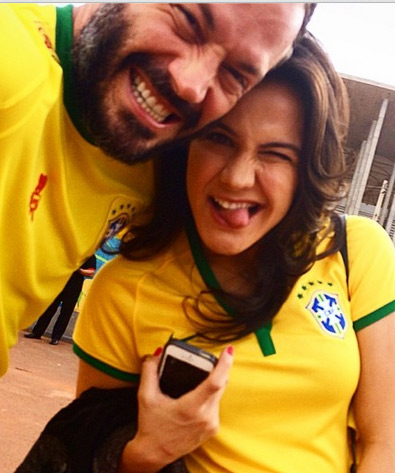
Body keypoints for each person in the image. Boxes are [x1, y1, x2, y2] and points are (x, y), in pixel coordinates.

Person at [58, 36, 395, 473]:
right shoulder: (125, 288)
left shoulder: (354, 253)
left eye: (275, 155)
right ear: (184, 144)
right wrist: (151, 448)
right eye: (218, 139)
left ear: (306, 168)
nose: (238, 177)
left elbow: (391, 444)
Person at [0, 2, 314, 377]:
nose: (191, 84)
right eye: (188, 22)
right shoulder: (14, 55)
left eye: (235, 75)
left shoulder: (161, 167)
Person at [24, 255, 97, 346]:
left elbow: (91, 272)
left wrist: (78, 269)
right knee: (49, 308)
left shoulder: (89, 255)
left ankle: (55, 338)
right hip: (59, 283)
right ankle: (37, 333)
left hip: (74, 286)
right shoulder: (69, 250)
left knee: (65, 313)